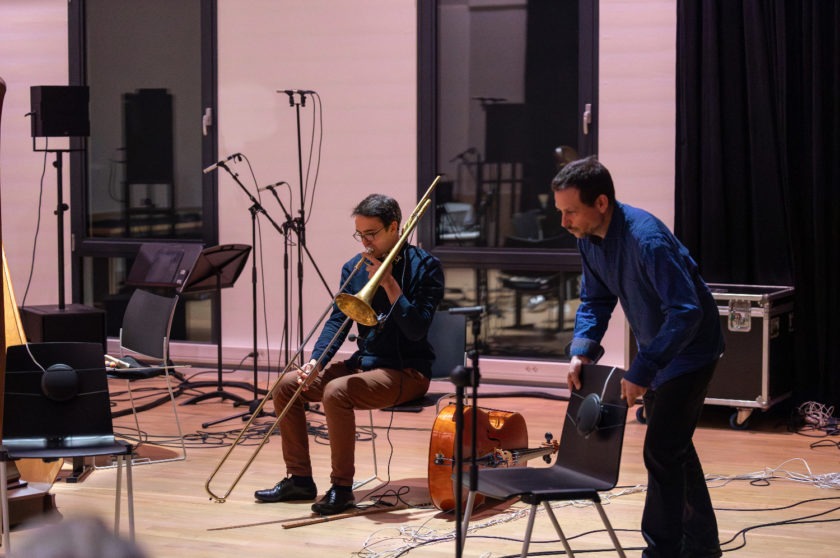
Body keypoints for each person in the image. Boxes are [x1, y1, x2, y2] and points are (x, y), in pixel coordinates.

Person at [552, 156, 724, 558]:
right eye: (560, 212)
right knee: (674, 448)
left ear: (601, 203)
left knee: (661, 451)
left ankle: (661, 552)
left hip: (691, 351)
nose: (564, 222)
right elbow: (595, 300)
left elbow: (686, 313)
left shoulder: (647, 240)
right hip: (660, 349)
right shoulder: (587, 238)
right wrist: (582, 351)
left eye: (570, 211)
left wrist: (643, 368)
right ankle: (702, 548)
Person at [255, 193, 445, 515]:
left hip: (407, 370)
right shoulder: (354, 268)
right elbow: (338, 321)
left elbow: (416, 330)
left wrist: (389, 284)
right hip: (365, 365)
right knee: (287, 386)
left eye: (371, 234)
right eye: (360, 234)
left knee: (337, 391)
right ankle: (299, 479)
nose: (365, 242)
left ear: (394, 227)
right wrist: (315, 362)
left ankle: (342, 489)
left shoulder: (425, 267)